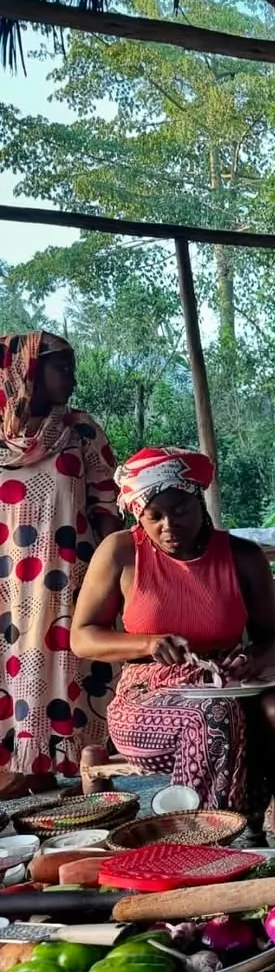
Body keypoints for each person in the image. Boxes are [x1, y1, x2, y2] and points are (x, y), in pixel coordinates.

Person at [71, 447, 275, 816]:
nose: (169, 525)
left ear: (200, 502)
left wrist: (252, 658)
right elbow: (81, 637)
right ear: (139, 516)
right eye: (155, 516)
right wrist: (146, 643)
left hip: (228, 686)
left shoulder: (243, 557)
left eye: (180, 510)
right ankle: (206, 836)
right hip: (147, 696)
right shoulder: (121, 552)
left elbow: (269, 639)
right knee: (213, 716)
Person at [0, 331, 121, 790]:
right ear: (26, 370)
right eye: (61, 367)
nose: (71, 377)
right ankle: (29, 768)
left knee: (76, 667)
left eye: (72, 367)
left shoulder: (80, 430)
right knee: (14, 670)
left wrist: (124, 582)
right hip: (9, 583)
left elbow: (108, 506)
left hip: (74, 577)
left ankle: (86, 766)